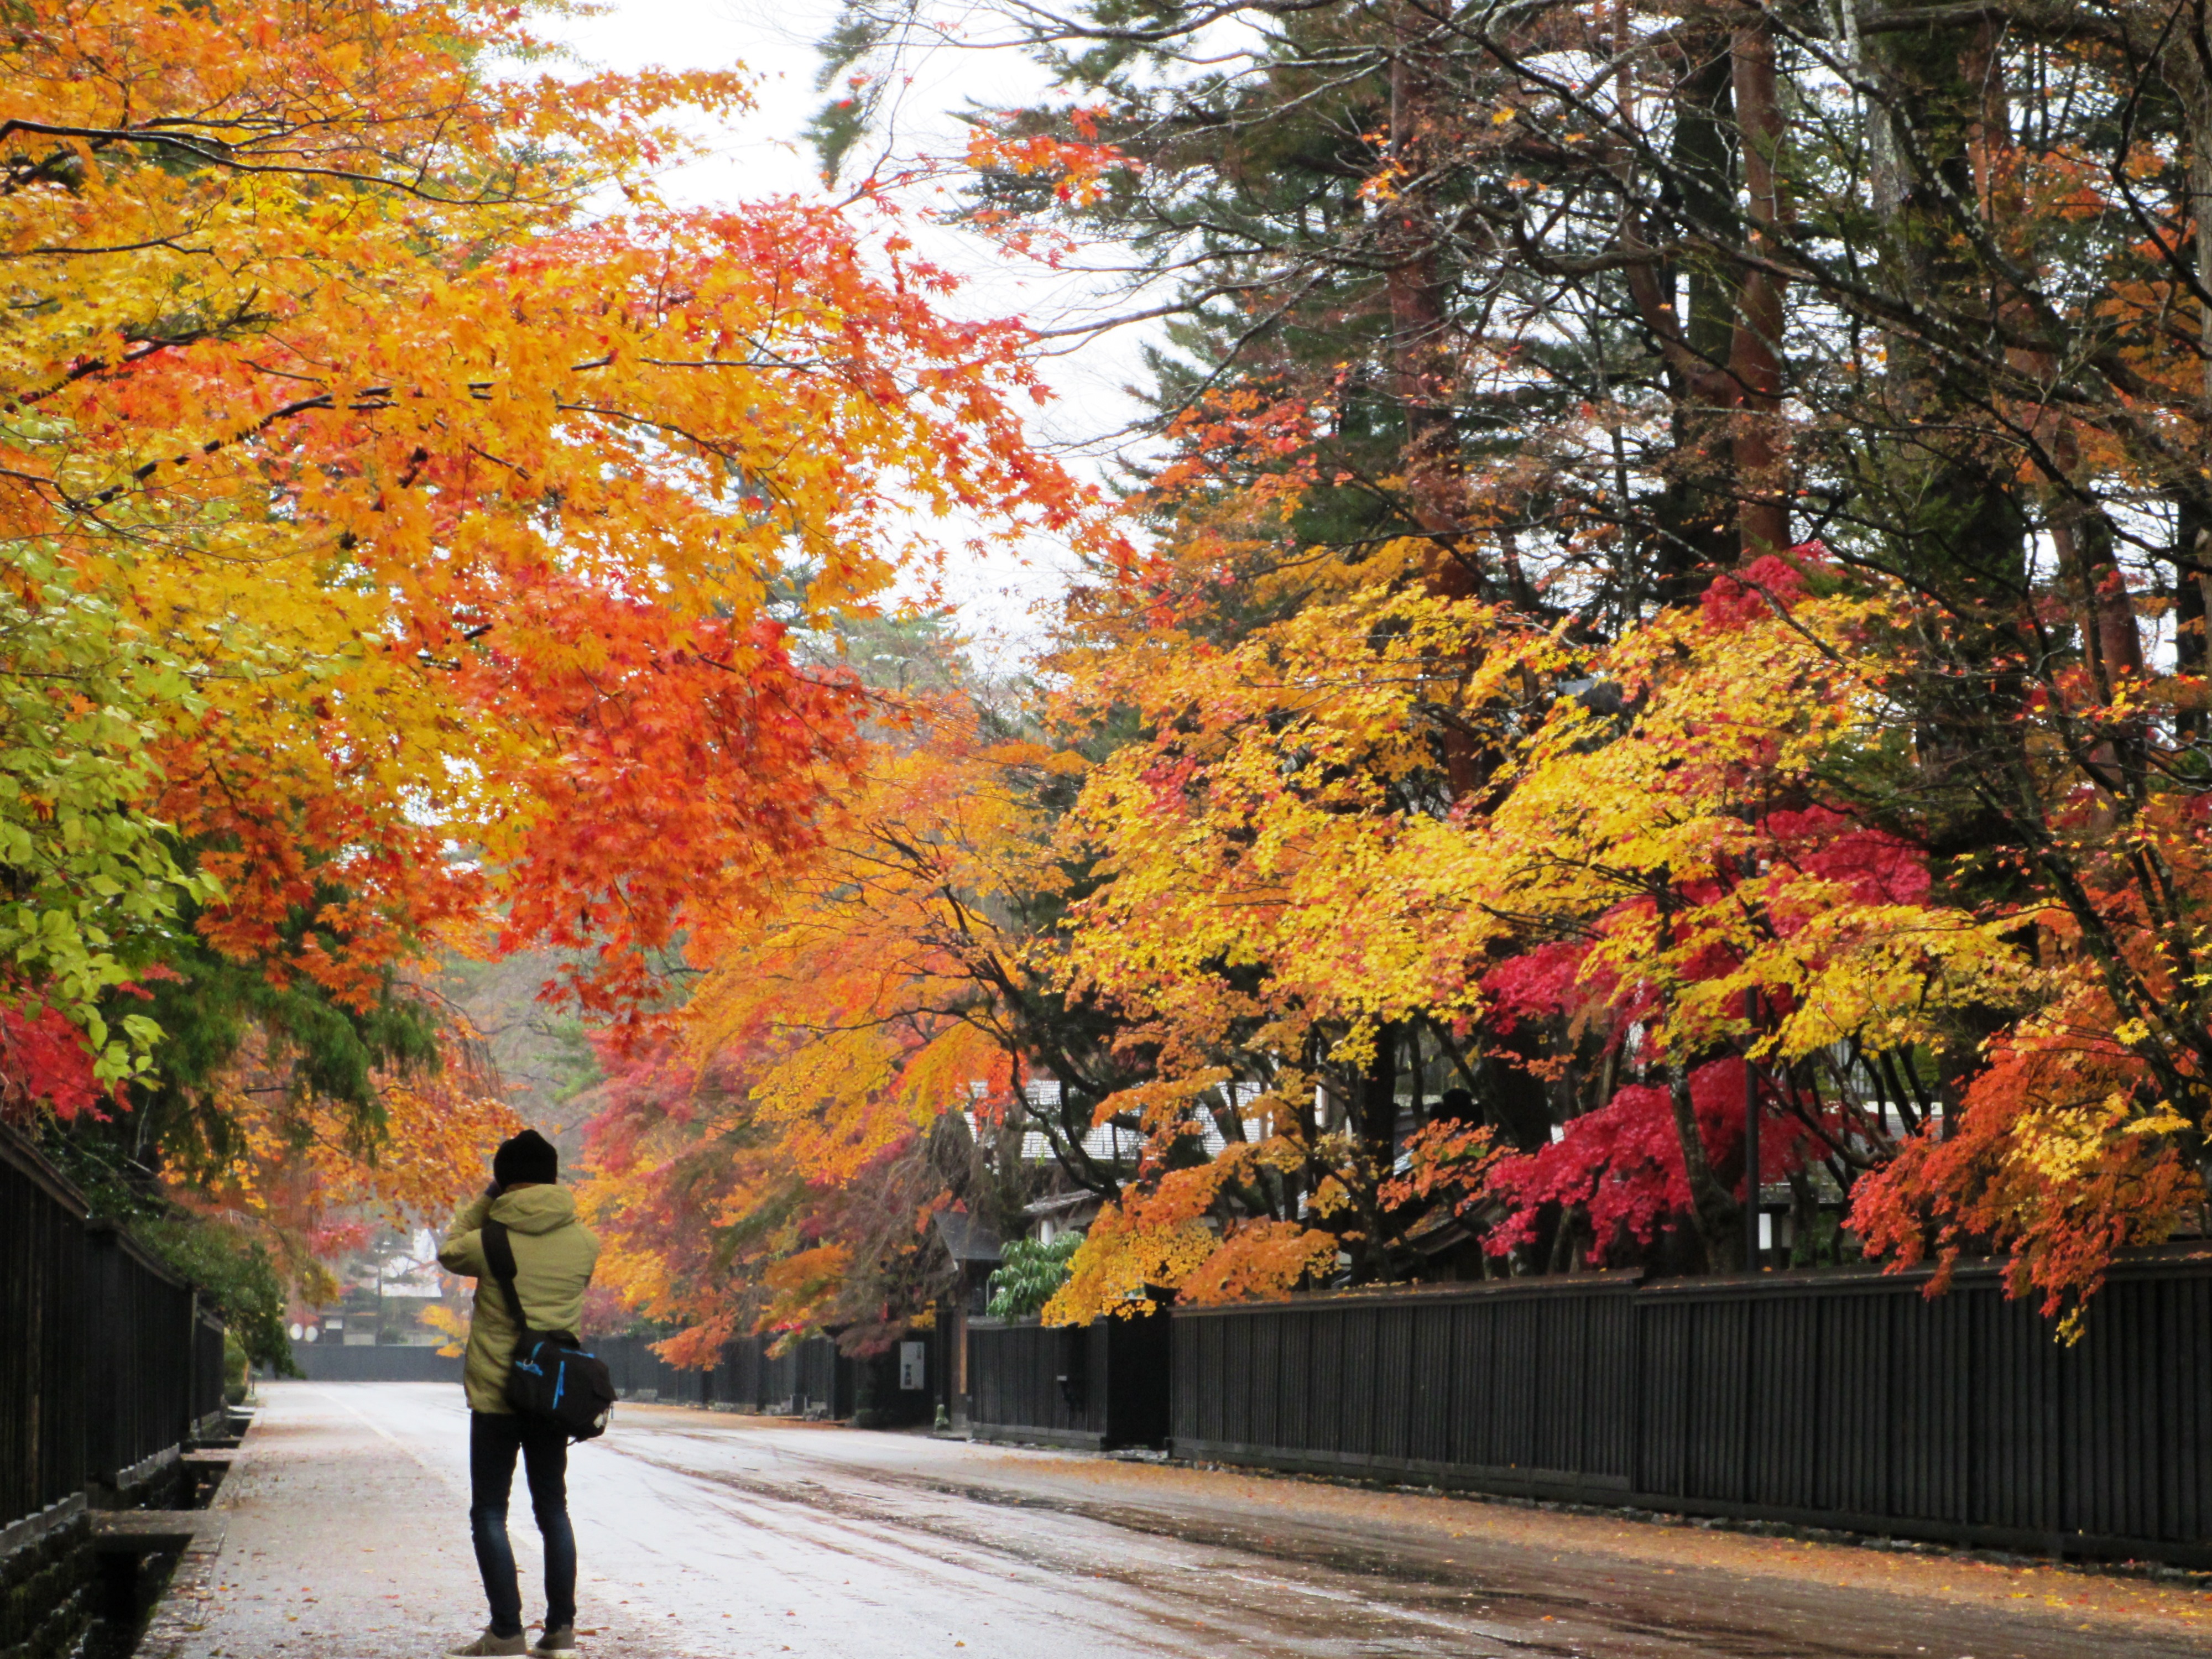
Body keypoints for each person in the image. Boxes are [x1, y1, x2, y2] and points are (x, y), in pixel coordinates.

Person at [437, 1129, 601, 1659]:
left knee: (490, 1511)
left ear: (505, 1180)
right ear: (555, 1177)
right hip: (552, 1395)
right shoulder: (585, 1242)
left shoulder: (490, 1240)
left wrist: (488, 1199)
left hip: (497, 1395)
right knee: (553, 1509)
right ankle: (561, 1633)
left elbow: (447, 1249)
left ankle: (506, 1632)